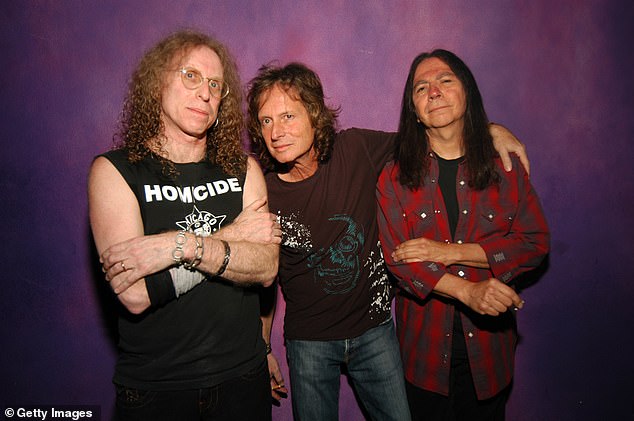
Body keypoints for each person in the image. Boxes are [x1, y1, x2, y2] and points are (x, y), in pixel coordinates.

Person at [246, 62, 529, 420]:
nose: (276, 132)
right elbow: (264, 280)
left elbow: (429, 137)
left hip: (375, 332)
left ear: (315, 116)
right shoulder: (264, 190)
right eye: (266, 121)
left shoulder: (357, 148)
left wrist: (488, 131)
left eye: (287, 116)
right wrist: (262, 346)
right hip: (309, 342)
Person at [88, 30, 282, 421]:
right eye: (190, 76)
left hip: (243, 379)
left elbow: (265, 268)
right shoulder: (115, 171)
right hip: (158, 390)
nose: (206, 92)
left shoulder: (244, 169)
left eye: (215, 84)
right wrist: (231, 236)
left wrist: (178, 246)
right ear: (158, 81)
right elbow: (137, 293)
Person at [376, 49, 550, 421]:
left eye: (445, 80)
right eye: (421, 87)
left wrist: (450, 252)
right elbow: (397, 260)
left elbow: (535, 243)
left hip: (490, 355)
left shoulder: (505, 166)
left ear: (467, 91)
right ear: (414, 109)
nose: (433, 91)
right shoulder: (394, 176)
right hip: (423, 360)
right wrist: (469, 291)